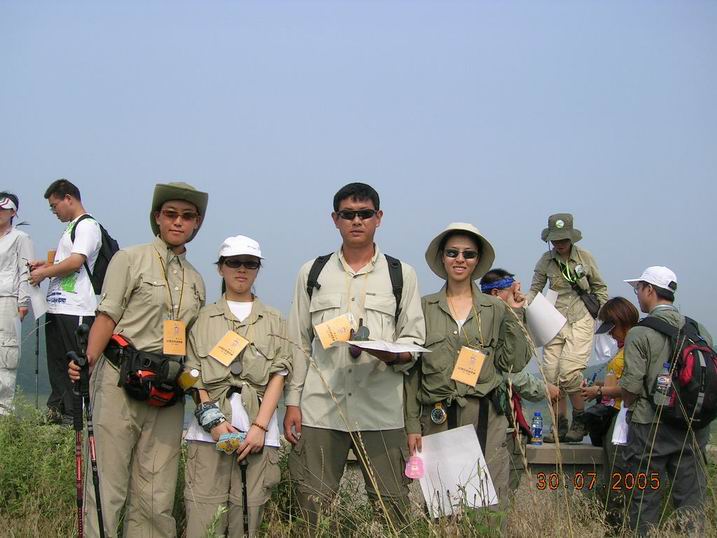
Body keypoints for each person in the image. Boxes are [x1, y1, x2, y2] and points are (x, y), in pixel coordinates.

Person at [68, 182, 208, 537]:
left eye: (187, 216)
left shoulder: (197, 281)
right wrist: (87, 361)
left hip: (167, 393)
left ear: (197, 222)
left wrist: (197, 393)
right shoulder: (129, 259)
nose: (178, 222)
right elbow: (107, 316)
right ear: (157, 218)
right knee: (108, 485)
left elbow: (191, 344)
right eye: (171, 214)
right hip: (120, 379)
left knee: (157, 493)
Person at [284, 182, 425, 528]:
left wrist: (393, 355)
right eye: (348, 214)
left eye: (365, 213)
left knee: (393, 510)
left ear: (379, 217)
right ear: (335, 219)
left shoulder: (401, 274)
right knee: (311, 509)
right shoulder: (312, 273)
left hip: (381, 411)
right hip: (321, 409)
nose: (357, 221)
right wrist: (292, 402)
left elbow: (414, 340)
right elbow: (298, 341)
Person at [406, 224, 531, 517]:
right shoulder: (423, 307)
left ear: (477, 260)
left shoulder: (495, 308)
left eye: (468, 254)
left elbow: (514, 362)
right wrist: (412, 425)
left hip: (485, 415)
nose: (460, 259)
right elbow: (412, 372)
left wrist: (516, 313)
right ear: (442, 257)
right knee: (443, 508)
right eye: (453, 253)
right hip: (437, 417)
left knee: (489, 506)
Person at [183, 235, 290, 537]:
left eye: (250, 263)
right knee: (202, 523)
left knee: (247, 523)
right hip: (207, 436)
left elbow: (279, 375)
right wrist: (212, 422)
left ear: (258, 269)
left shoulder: (275, 320)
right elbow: (191, 374)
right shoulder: (201, 319)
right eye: (233, 262)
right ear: (221, 268)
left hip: (258, 437)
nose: (241, 269)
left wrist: (260, 427)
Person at [620, 266, 712, 536]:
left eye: (638, 289)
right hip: (694, 424)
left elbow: (631, 387)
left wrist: (628, 404)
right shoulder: (698, 329)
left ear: (650, 290)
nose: (638, 295)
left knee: (644, 498)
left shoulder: (639, 333)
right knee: (692, 500)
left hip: (650, 426)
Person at [526, 213, 608, 443]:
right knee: (551, 375)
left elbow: (600, 288)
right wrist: (524, 303)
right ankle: (559, 425)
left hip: (580, 318)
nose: (559, 243)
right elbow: (535, 290)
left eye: (563, 239)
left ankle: (580, 420)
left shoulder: (585, 257)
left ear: (571, 238)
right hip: (553, 320)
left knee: (569, 372)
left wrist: (603, 314)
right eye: (555, 239)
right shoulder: (546, 260)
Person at [479, 268, 560, 492]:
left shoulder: (496, 318)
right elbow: (508, 370)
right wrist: (542, 389)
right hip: (497, 417)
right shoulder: (489, 323)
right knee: (501, 489)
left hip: (500, 414)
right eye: (513, 290)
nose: (519, 295)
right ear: (496, 293)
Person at [29, 179, 101, 424]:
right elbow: (65, 262)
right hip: (58, 305)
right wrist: (45, 265)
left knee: (75, 364)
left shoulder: (87, 225)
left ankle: (75, 416)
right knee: (58, 363)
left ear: (68, 198)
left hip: (77, 307)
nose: (54, 211)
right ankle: (57, 412)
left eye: (54, 205)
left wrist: (44, 274)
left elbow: (76, 262)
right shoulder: (71, 227)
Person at [580, 297, 638, 476]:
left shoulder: (635, 346)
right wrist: (596, 385)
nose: (611, 335)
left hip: (624, 416)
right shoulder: (623, 346)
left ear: (622, 321)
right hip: (614, 412)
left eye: (612, 329)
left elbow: (631, 387)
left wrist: (598, 391)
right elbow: (619, 380)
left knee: (617, 469)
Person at [0, 192, 34, 415]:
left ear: (13, 212)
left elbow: (25, 271)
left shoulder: (20, 238)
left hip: (7, 298)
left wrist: (23, 301)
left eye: (3, 209)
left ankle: (3, 411)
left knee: (6, 352)